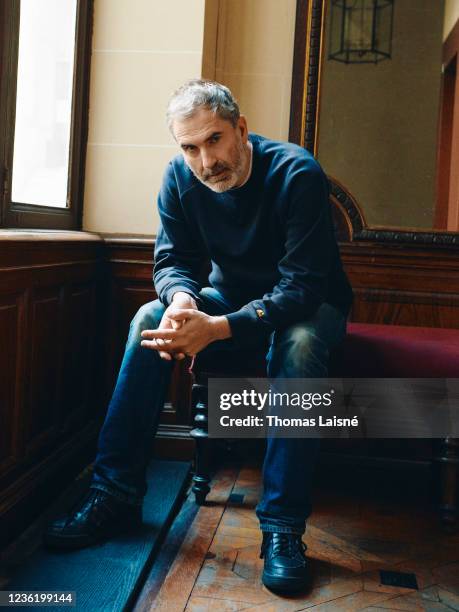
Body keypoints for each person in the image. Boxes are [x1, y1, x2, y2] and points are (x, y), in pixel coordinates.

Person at [44, 79, 352, 593]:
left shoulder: (297, 172)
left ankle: (282, 529)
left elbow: (301, 287)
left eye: (214, 140)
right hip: (225, 302)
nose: (205, 161)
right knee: (149, 318)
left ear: (242, 130)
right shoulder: (179, 177)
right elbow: (172, 262)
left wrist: (218, 328)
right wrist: (183, 303)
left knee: (296, 344)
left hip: (309, 308)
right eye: (190, 147)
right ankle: (115, 493)